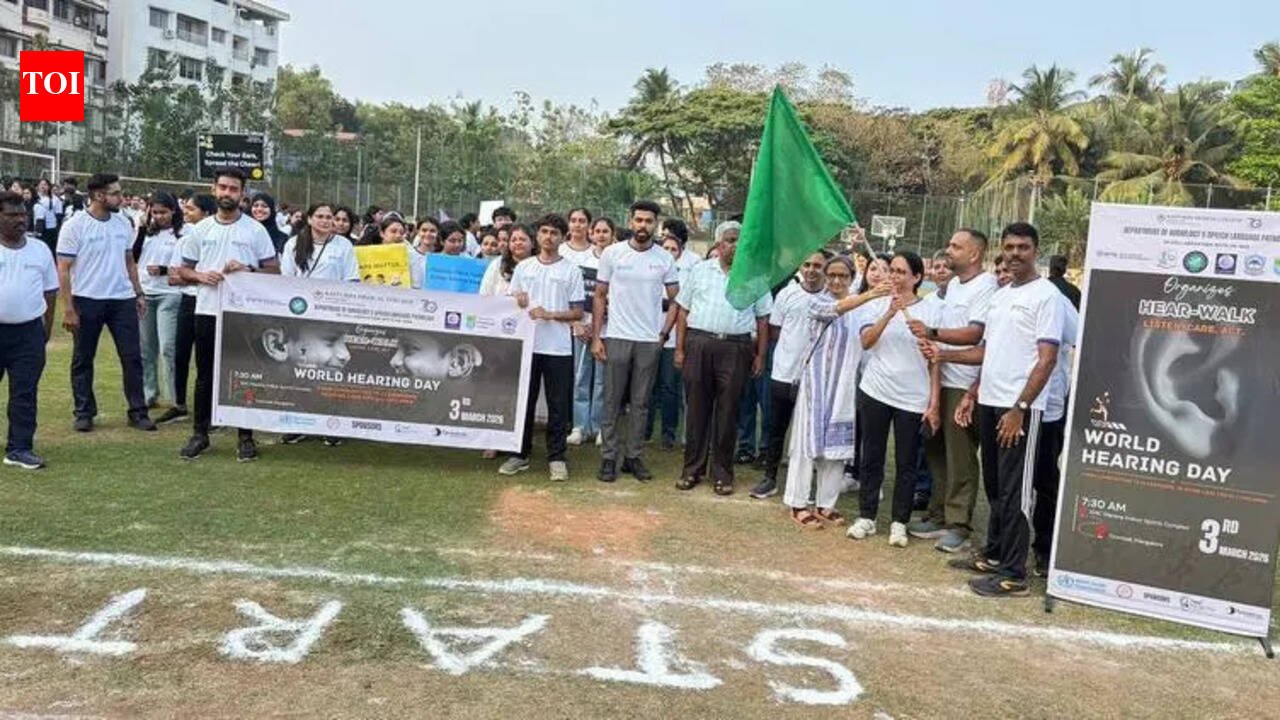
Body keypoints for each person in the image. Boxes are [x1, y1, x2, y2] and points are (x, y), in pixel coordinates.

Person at [917, 222, 1064, 597]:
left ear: (1036, 251)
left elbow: (1047, 359)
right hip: (989, 401)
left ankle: (1014, 574)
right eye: (1010, 247)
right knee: (996, 487)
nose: (1015, 254)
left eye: (1023, 247)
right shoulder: (1001, 296)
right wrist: (949, 361)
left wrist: (1020, 407)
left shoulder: (1046, 296)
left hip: (1019, 410)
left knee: (1016, 493)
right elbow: (987, 351)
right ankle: (995, 554)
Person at [174, 168, 280, 462]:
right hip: (207, 310)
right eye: (223, 187)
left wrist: (248, 270)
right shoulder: (201, 229)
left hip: (243, 314)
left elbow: (274, 271)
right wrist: (200, 276)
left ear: (242, 194)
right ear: (214, 189)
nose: (227, 193)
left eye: (233, 189)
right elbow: (182, 270)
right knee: (205, 374)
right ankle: (200, 433)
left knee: (244, 373)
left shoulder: (255, 230)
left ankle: (245, 436)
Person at [908, 230, 1000, 553]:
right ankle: (938, 514)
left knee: (960, 456)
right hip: (938, 378)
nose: (949, 250)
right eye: (949, 244)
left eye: (956, 246)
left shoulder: (986, 286)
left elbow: (975, 334)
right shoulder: (954, 286)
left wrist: (933, 333)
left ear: (974, 254)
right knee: (936, 451)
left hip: (963, 382)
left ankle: (959, 524)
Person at [846, 251, 943, 548]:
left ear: (917, 277)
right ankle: (867, 516)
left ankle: (899, 521)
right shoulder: (876, 303)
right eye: (893, 271)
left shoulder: (933, 310)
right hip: (876, 390)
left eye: (902, 272)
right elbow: (866, 342)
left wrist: (934, 403)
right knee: (872, 455)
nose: (895, 277)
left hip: (912, 397)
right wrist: (889, 313)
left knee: (906, 462)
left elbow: (935, 361)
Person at [784, 255, 887, 527]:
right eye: (832, 275)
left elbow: (867, 336)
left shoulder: (862, 308)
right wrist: (870, 294)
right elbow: (835, 309)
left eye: (843, 276)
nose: (837, 281)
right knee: (806, 444)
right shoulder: (816, 301)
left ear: (852, 278)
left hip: (843, 385)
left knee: (836, 446)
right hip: (815, 383)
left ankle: (826, 503)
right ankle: (797, 503)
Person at [672, 221, 772, 495]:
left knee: (729, 412)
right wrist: (679, 349)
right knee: (696, 410)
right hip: (700, 344)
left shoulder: (755, 277)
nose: (735, 245)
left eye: (740, 240)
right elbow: (683, 310)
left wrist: (760, 356)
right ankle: (692, 470)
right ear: (718, 244)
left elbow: (763, 320)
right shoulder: (700, 271)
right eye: (730, 240)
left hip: (736, 348)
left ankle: (722, 473)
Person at [56, 173, 155, 433]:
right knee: (83, 358)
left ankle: (138, 411)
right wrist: (68, 308)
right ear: (99, 195)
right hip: (87, 299)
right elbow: (63, 269)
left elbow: (129, 262)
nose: (121, 198)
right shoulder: (75, 225)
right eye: (115, 193)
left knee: (132, 357)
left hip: (122, 300)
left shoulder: (123, 222)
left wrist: (138, 293)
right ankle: (84, 412)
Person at [591, 200, 678, 483]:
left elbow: (677, 300)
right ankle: (608, 458)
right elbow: (600, 296)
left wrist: (663, 334)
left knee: (641, 404)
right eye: (638, 220)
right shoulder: (613, 253)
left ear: (656, 225)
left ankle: (633, 457)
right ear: (630, 221)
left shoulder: (664, 258)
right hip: (617, 336)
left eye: (648, 221)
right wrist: (597, 337)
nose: (643, 225)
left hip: (648, 341)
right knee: (612, 401)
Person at [501, 214, 585, 481]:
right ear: (537, 236)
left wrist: (550, 314)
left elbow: (578, 312)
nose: (548, 237)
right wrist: (517, 298)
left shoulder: (571, 270)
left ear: (563, 237)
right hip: (528, 345)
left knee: (558, 404)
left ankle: (557, 457)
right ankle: (520, 454)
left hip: (558, 348)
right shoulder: (524, 267)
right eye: (544, 232)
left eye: (554, 233)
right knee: (524, 401)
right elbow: (511, 303)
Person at [278, 202, 359, 447]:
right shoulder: (294, 244)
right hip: (301, 316)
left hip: (332, 317)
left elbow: (351, 280)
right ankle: (299, 423)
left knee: (331, 371)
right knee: (302, 371)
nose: (326, 221)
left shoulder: (344, 245)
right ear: (310, 219)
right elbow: (286, 280)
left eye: (329, 217)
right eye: (320, 216)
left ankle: (331, 424)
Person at [750, 250, 828, 499]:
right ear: (800, 267)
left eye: (818, 265)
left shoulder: (831, 298)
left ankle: (809, 486)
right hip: (784, 373)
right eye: (807, 264)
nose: (812, 270)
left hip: (816, 378)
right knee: (776, 427)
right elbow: (775, 330)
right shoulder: (787, 294)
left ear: (825, 269)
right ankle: (770, 478)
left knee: (811, 432)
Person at [0, 191, 59, 469]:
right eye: (12, 215)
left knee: (25, 393)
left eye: (23, 214)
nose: (20, 220)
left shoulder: (40, 249)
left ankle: (19, 448)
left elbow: (50, 291)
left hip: (28, 333)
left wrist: (45, 329)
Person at [1029, 291, 1078, 577]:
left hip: (1047, 408)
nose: (1003, 273)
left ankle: (1046, 548)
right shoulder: (1001, 299)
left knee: (1044, 480)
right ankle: (1001, 545)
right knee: (1008, 483)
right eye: (999, 270)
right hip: (1006, 405)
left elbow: (1079, 338)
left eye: (1007, 270)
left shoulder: (1054, 300)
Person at [476, 223, 533, 460]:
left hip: (529, 337)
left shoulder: (538, 266)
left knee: (522, 392)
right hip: (499, 336)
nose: (518, 243)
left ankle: (517, 441)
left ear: (532, 242)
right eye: (514, 239)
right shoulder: (497, 266)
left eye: (522, 239)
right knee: (497, 389)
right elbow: (484, 297)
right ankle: (493, 439)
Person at [160, 194, 216, 425]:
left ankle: (211, 411)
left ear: (206, 213)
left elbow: (220, 277)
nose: (186, 212)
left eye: (192, 209)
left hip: (211, 303)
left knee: (208, 360)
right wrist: (200, 277)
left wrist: (191, 276)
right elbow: (174, 277)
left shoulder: (217, 238)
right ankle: (179, 404)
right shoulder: (184, 240)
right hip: (187, 301)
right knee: (180, 354)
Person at [649, 218, 699, 450]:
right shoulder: (652, 263)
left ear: (681, 248)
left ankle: (669, 434)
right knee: (648, 385)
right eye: (665, 247)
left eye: (673, 248)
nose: (668, 252)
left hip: (674, 335)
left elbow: (680, 302)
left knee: (670, 386)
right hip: (648, 332)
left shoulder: (691, 266)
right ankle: (645, 430)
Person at [134, 192, 185, 413]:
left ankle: (175, 397)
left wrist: (164, 270)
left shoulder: (182, 233)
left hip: (170, 293)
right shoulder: (145, 232)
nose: (159, 216)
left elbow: (187, 263)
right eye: (154, 212)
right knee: (146, 348)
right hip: (146, 292)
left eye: (163, 212)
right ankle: (149, 392)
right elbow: (134, 257)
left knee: (168, 347)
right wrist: (142, 229)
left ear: (173, 210)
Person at [566, 217, 615, 447]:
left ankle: (599, 427)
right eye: (598, 231)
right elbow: (574, 295)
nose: (601, 235)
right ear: (592, 234)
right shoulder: (582, 262)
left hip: (607, 330)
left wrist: (605, 315)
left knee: (602, 381)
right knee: (580, 378)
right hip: (582, 329)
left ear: (612, 235)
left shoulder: (617, 260)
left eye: (606, 231)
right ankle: (580, 426)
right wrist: (578, 323)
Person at [33, 178, 64, 256]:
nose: (43, 187)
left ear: (49, 187)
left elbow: (59, 216)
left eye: (45, 185)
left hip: (51, 229)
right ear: (37, 187)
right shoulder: (35, 198)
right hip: (38, 228)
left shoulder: (55, 199)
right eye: (41, 185)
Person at [408, 217, 440, 289]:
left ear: (438, 233)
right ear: (418, 232)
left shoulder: (442, 257)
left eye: (432, 231)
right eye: (424, 230)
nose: (428, 234)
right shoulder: (409, 254)